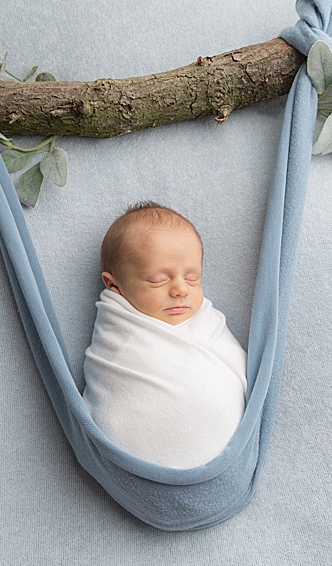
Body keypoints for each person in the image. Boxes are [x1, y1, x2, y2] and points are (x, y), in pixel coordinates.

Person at [82, 201, 248, 469]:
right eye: (159, 280)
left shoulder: (207, 322)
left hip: (226, 463)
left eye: (193, 278)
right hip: (134, 468)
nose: (181, 289)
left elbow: (240, 368)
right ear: (114, 285)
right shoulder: (118, 334)